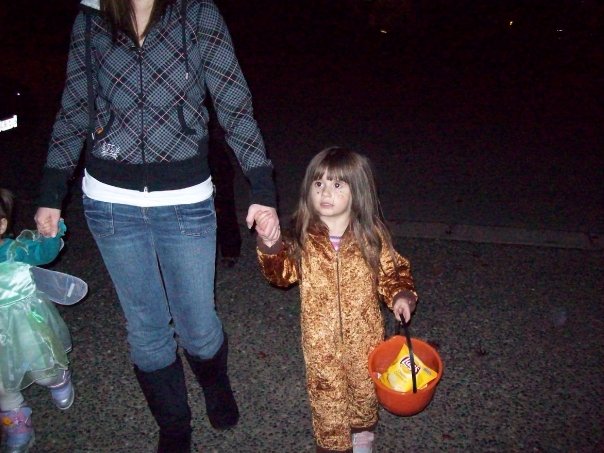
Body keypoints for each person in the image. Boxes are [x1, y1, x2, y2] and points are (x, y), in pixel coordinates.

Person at [34, 1, 279, 451]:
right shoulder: (91, 19)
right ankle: (174, 425)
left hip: (185, 198)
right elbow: (74, 108)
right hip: (110, 201)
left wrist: (261, 188)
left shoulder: (197, 13)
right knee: (146, 329)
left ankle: (215, 385)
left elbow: (233, 102)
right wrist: (52, 192)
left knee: (198, 325)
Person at [254, 147, 418, 453]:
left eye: (337, 184)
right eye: (318, 184)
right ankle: (332, 445)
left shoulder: (372, 236)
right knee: (326, 395)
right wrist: (271, 243)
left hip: (365, 337)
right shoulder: (303, 237)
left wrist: (400, 296)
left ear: (358, 192)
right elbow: (281, 275)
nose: (325, 192)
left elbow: (393, 272)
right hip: (320, 343)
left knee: (364, 389)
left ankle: (362, 430)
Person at [0, 189, 77, 453]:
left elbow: (45, 254)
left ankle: (57, 378)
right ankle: (17, 425)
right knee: (2, 385)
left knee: (42, 368)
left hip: (24, 324)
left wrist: (50, 234)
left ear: (1, 225)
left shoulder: (15, 251)